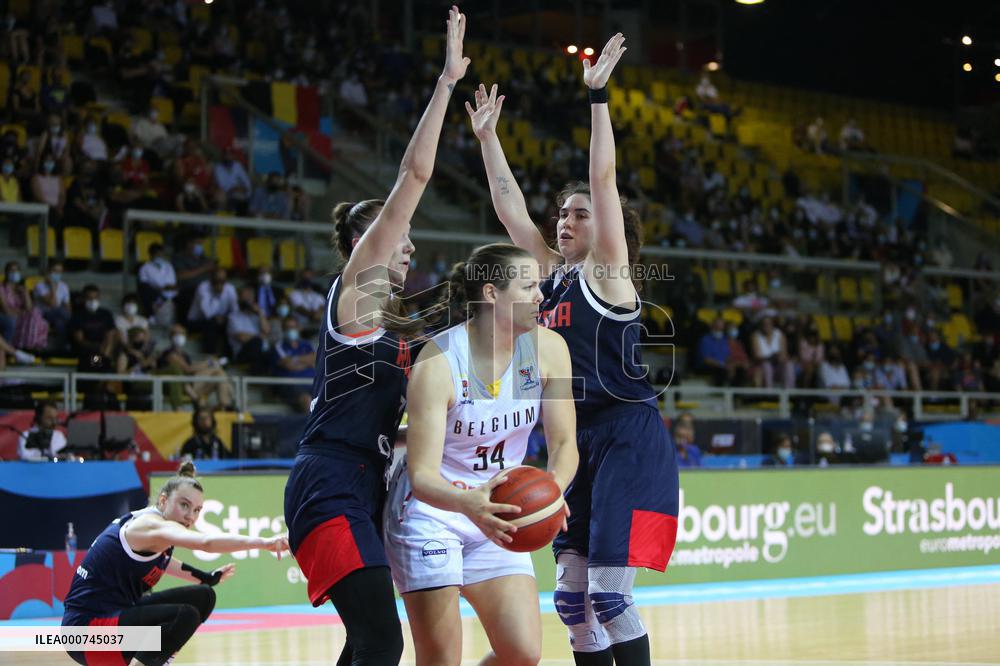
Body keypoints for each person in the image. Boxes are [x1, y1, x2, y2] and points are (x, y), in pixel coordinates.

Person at [468, 32, 678, 665]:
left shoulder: (609, 276)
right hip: (571, 439)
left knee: (611, 600)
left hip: (625, 434)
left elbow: (603, 176)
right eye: (562, 212)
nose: (565, 219)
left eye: (580, 214)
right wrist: (486, 139)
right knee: (572, 602)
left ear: (609, 230)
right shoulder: (552, 276)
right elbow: (509, 210)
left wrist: (599, 98)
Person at [283, 8, 469, 665]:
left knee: (364, 643)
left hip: (368, 485)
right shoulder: (356, 292)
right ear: (363, 243)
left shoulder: (398, 326)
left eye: (409, 241)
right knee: (381, 643)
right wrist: (447, 82)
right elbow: (413, 180)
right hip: (330, 478)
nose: (405, 246)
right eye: (395, 235)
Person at [384, 244, 578, 665]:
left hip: (500, 509)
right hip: (435, 511)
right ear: (492, 294)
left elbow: (564, 444)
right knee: (441, 660)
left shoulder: (549, 349)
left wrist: (553, 491)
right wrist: (467, 503)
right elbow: (422, 475)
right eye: (528, 286)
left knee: (522, 654)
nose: (541, 295)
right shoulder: (438, 361)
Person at [61, 462, 288, 666]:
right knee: (184, 615)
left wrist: (207, 577)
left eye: (197, 510)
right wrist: (265, 542)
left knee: (204, 596)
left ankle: (154, 661)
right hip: (86, 635)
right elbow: (206, 542)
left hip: (113, 620)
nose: (191, 516)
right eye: (184, 505)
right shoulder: (149, 526)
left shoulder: (157, 532)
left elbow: (164, 563)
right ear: (163, 500)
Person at [270, 317, 315, 413]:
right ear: (283, 329)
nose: (291, 330)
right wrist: (306, 362)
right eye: (288, 327)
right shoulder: (279, 346)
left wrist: (295, 359)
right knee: (306, 399)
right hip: (292, 386)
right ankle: (314, 428)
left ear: (298, 328)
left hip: (313, 383)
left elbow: (315, 361)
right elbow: (288, 365)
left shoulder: (307, 345)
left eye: (294, 327)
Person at [138, 243, 178, 325]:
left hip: (169, 293)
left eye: (161, 254)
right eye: (157, 254)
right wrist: (160, 288)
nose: (159, 256)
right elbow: (144, 283)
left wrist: (167, 288)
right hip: (154, 293)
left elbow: (172, 282)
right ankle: (151, 314)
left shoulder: (168, 266)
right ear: (151, 255)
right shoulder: (145, 268)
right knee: (145, 288)